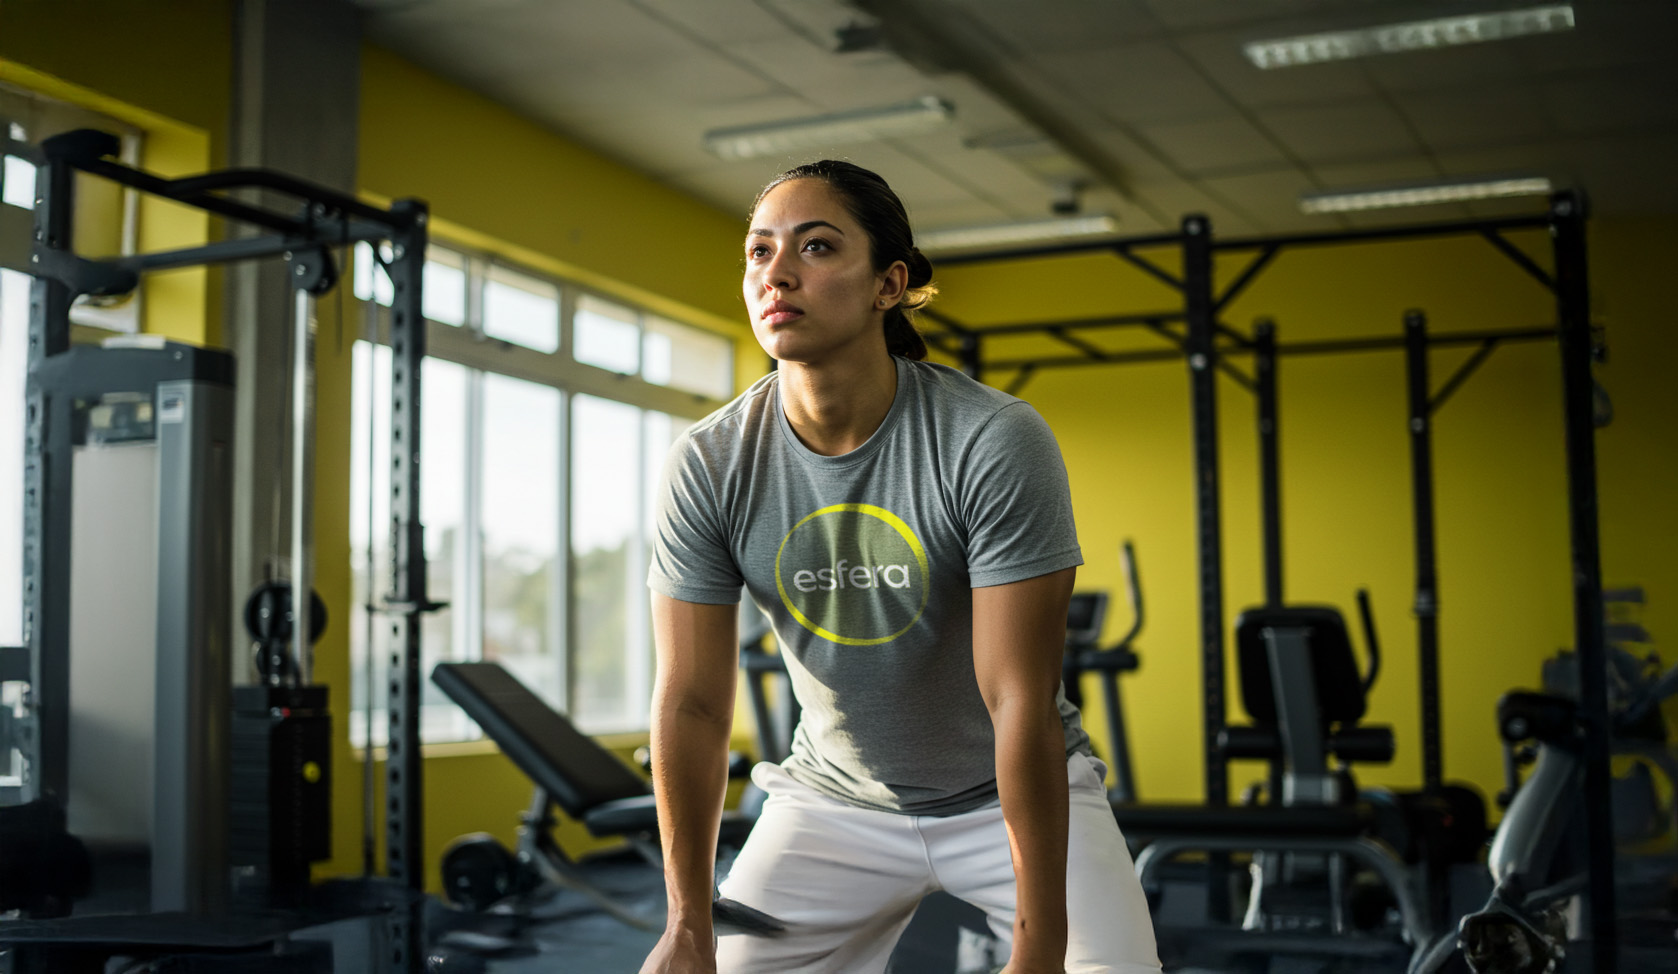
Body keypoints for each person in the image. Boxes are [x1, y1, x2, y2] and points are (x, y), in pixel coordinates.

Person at [640, 160, 1159, 974]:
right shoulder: (710, 462)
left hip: (1005, 796)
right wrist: (688, 925)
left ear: (890, 285)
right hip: (831, 802)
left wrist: (1038, 949)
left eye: (816, 246)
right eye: (759, 251)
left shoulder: (990, 438)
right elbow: (693, 704)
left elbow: (1017, 699)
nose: (777, 272)